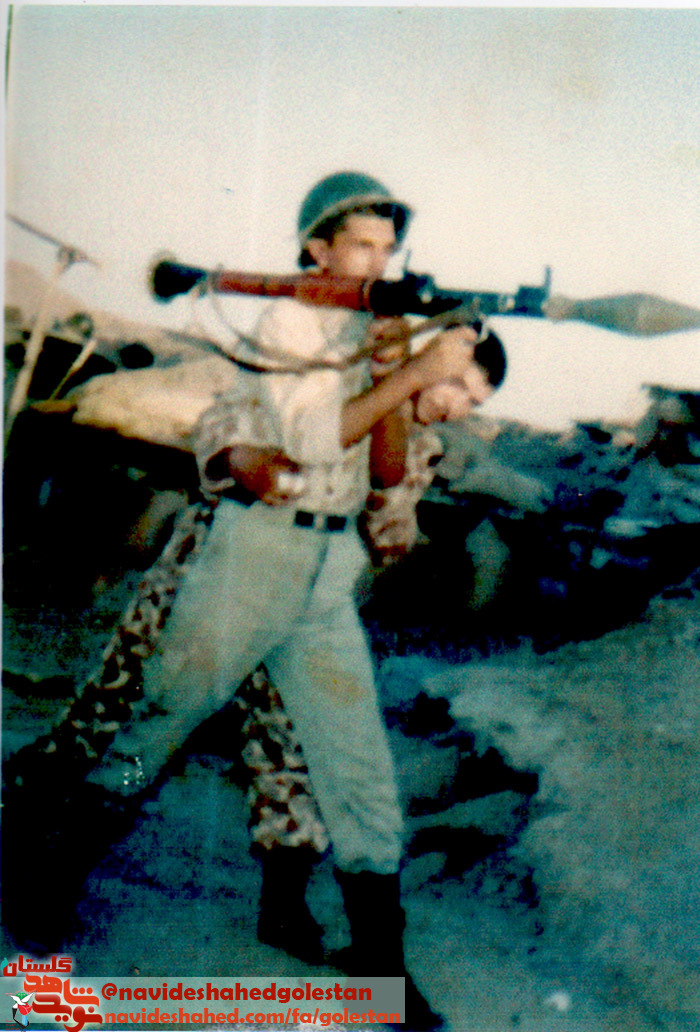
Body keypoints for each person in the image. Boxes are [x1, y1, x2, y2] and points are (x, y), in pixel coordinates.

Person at [3, 171, 504, 1030]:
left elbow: (386, 467)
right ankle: (49, 870)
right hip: (255, 552)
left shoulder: (380, 329)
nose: (378, 262)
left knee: (359, 770)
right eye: (361, 245)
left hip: (328, 569)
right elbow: (312, 435)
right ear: (317, 248)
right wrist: (415, 368)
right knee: (159, 725)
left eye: (389, 248)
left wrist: (401, 362)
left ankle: (381, 966)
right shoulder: (291, 322)